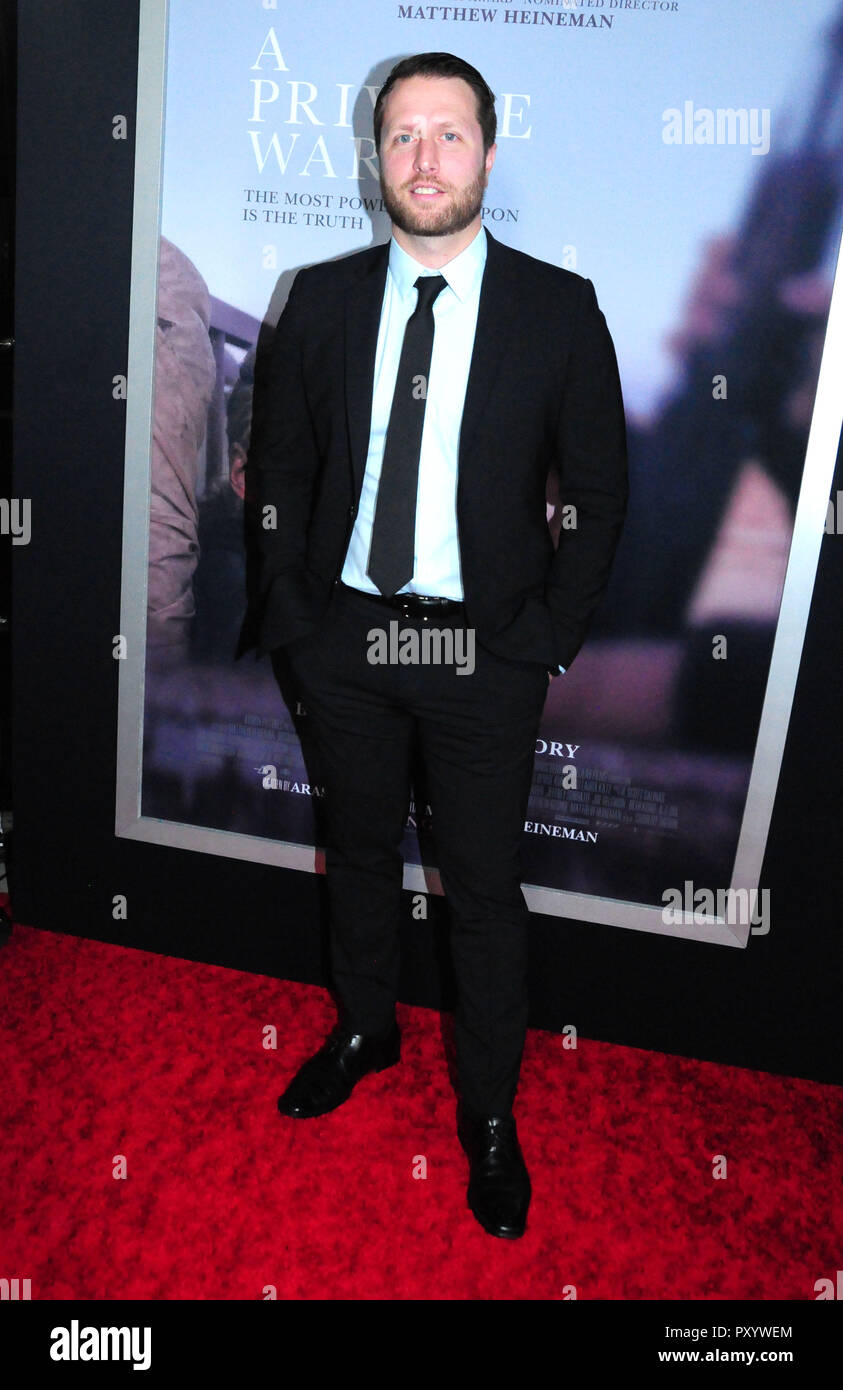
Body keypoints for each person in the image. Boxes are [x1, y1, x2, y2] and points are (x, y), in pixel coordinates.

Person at [252, 51, 628, 1238]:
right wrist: (301, 623)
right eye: (402, 134)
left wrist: (547, 639)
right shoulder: (315, 298)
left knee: (483, 894)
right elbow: (285, 472)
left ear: (488, 150)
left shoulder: (557, 310)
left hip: (482, 656)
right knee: (357, 852)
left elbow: (605, 492)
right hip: (351, 641)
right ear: (376, 157)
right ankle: (365, 1028)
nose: (424, 158)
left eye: (448, 134)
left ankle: (489, 1113)